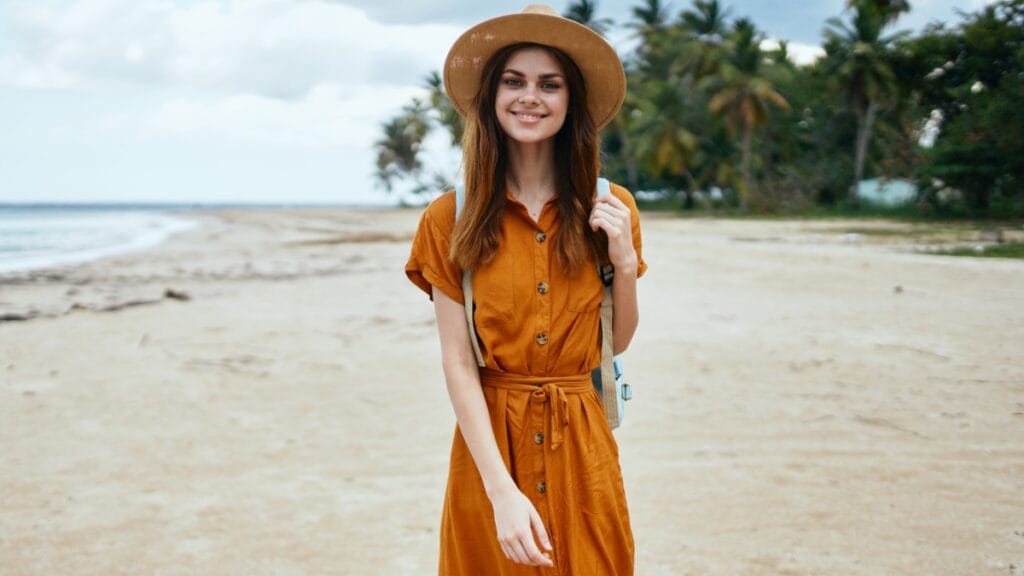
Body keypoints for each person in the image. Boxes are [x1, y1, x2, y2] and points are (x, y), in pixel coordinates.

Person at [405, 4, 647, 574]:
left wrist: (626, 264)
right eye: (513, 82)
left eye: (549, 84)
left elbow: (618, 342)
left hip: (582, 445)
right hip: (490, 446)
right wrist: (502, 494)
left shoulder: (612, 207)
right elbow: (459, 364)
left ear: (571, 101)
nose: (529, 97)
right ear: (492, 97)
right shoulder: (449, 217)